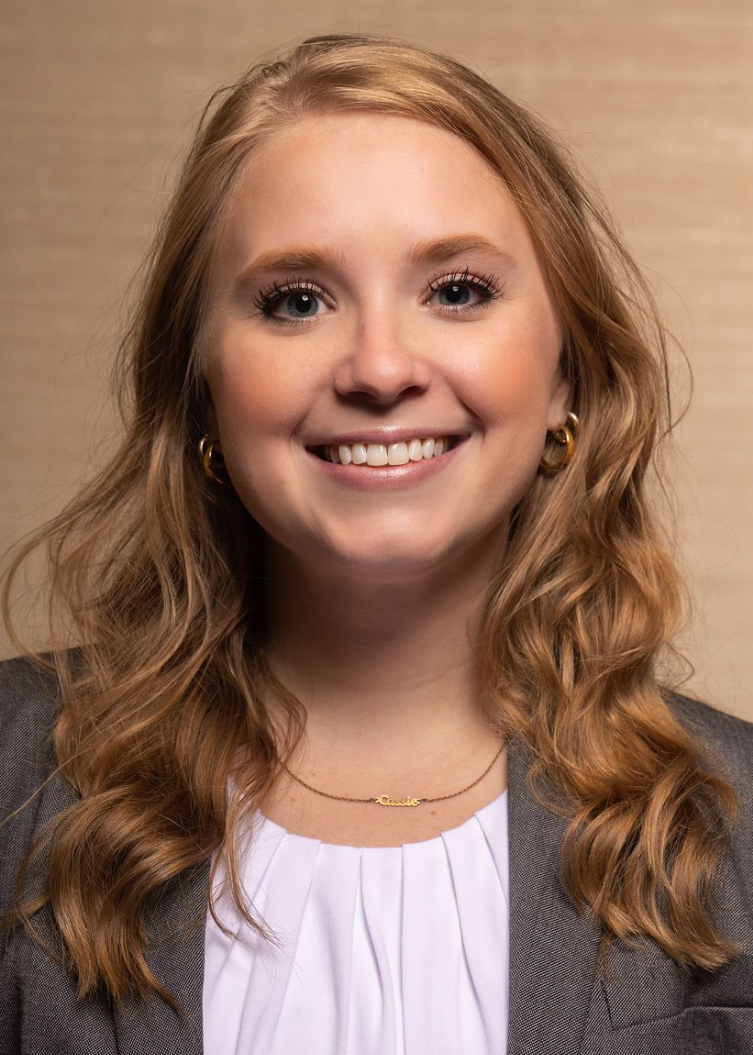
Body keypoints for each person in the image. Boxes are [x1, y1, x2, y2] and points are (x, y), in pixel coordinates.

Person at [1, 32, 752, 1055]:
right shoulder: (13, 778)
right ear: (204, 390)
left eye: (457, 290)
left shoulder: (737, 817)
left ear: (565, 379)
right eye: (297, 300)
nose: (381, 366)